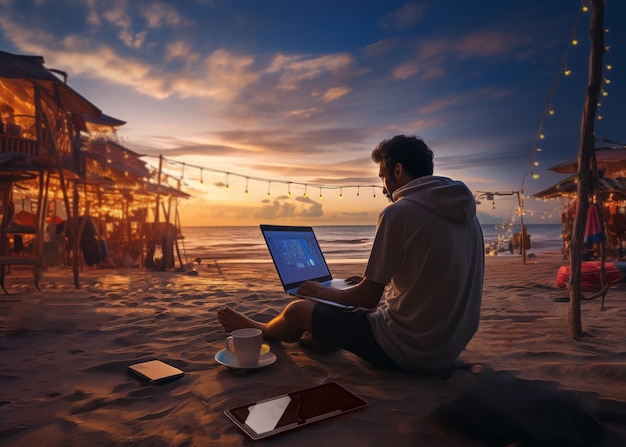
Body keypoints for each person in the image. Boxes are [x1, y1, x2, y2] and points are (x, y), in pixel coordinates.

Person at [218, 135, 484, 374]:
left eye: (383, 176)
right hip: (446, 349)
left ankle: (264, 329)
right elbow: (430, 275)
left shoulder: (400, 212)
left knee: (298, 309)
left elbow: (368, 299)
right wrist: (366, 283)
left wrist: (318, 291)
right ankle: (322, 338)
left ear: (398, 170)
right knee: (339, 304)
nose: (384, 187)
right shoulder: (467, 216)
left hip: (408, 350)